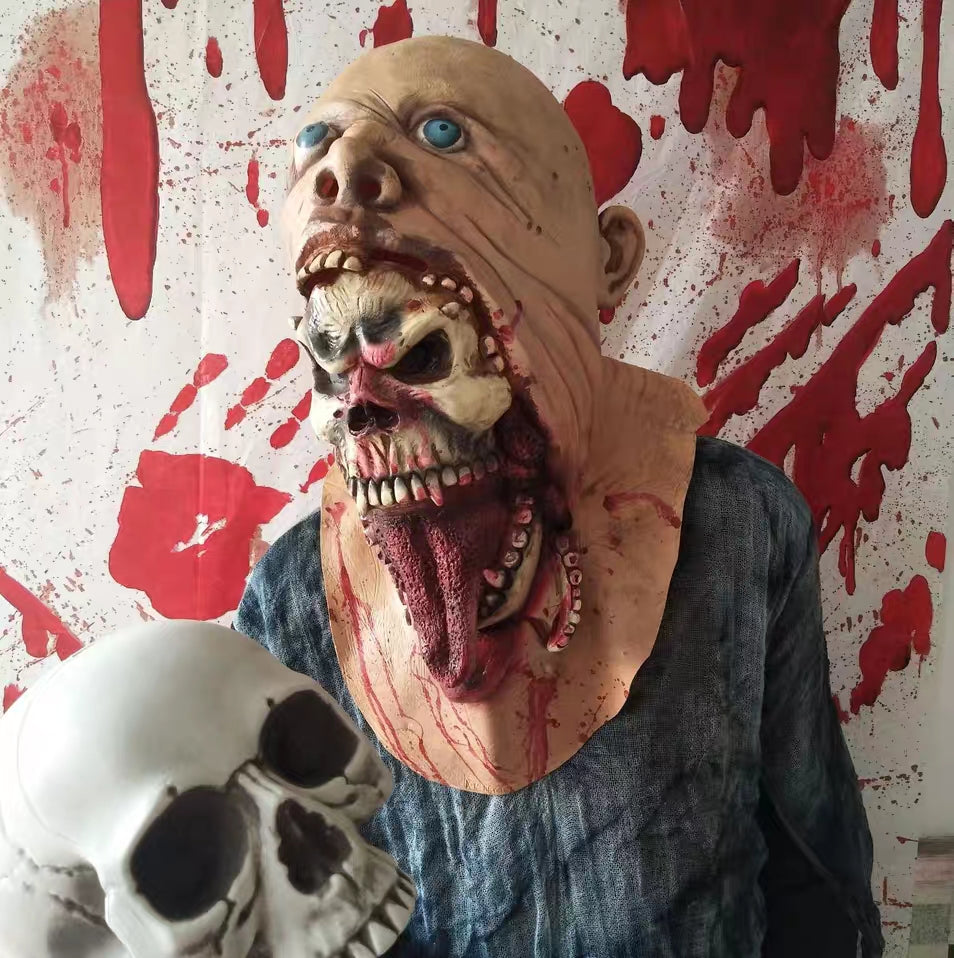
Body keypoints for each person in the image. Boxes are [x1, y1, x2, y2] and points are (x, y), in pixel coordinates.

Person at [236, 36, 882, 957]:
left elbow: (817, 869)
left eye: (441, 132)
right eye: (316, 143)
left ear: (610, 260)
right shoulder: (294, 598)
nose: (342, 169)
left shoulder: (739, 524)